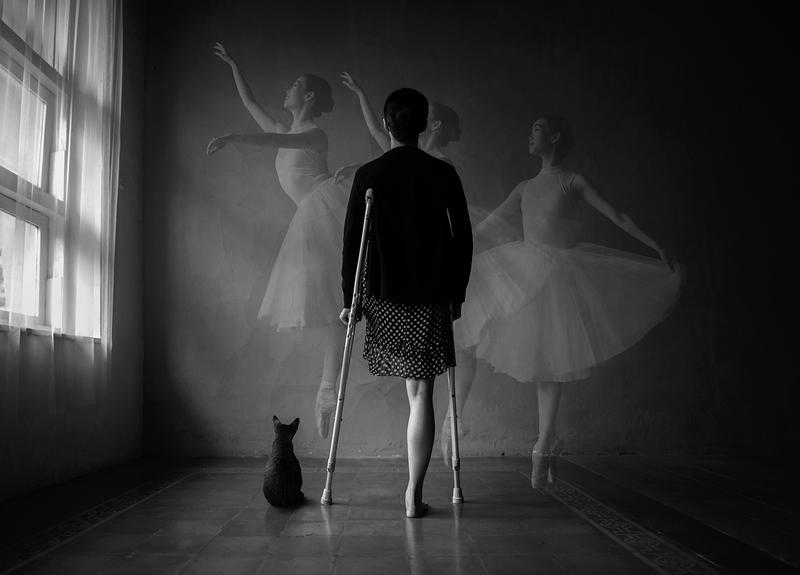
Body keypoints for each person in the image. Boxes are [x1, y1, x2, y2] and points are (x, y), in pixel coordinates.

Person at [457, 115, 682, 488]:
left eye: (536, 129)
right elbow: (489, 224)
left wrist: (655, 244)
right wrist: (452, 246)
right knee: (541, 361)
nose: (529, 135)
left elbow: (616, 214)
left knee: (552, 361)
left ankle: (543, 442)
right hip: (525, 274)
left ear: (556, 137)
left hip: (559, 276)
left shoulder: (572, 181)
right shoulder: (524, 187)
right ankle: (546, 442)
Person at [206, 43, 356, 439]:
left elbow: (275, 142)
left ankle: (328, 388)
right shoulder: (287, 130)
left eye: (295, 85)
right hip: (311, 214)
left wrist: (234, 136)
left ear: (308, 96)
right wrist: (234, 63)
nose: (287, 89)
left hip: (327, 208)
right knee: (331, 304)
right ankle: (327, 389)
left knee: (340, 302)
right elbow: (251, 104)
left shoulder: (314, 134)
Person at [340, 88, 472, 517]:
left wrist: (350, 300)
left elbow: (352, 243)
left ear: (386, 125)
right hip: (431, 294)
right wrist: (457, 293)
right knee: (422, 392)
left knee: (414, 391)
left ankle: (414, 492)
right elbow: (463, 239)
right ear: (422, 126)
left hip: (384, 295)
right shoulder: (443, 173)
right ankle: (414, 493)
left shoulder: (369, 174)